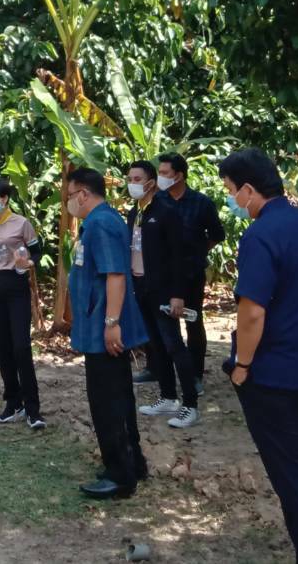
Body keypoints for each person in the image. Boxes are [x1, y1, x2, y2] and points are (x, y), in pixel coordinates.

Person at [220, 148, 298, 564]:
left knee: (295, 478)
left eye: (232, 191)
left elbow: (252, 311)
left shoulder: (261, 234)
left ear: (250, 190)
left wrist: (242, 366)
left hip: (275, 375)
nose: (233, 199)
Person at [66, 166, 150, 500]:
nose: (70, 202)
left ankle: (120, 475)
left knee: (107, 401)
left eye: (71, 196)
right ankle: (133, 463)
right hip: (99, 325)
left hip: (104, 329)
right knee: (120, 396)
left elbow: (115, 274)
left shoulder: (101, 224)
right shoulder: (104, 220)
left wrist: (111, 323)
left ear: (83, 194)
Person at [123, 160, 201, 428]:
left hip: (164, 290)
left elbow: (179, 256)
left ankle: (190, 403)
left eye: (136, 179)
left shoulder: (167, 211)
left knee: (174, 344)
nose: (131, 183)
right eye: (129, 178)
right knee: (155, 345)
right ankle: (168, 396)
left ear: (151, 183)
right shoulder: (136, 212)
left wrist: (177, 294)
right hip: (140, 285)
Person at [0, 177, 46, 429]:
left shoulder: (21, 223)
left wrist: (28, 263)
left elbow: (37, 250)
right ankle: (13, 401)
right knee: (2, 347)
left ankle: (33, 408)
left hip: (16, 286)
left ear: (4, 199)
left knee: (21, 347)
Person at [158, 151, 224, 389]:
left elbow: (217, 235)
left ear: (179, 176)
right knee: (163, 321)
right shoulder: (158, 201)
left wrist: (198, 251)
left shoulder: (201, 203)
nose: (160, 177)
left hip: (191, 273)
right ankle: (160, 370)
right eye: (159, 173)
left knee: (193, 321)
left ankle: (195, 375)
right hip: (163, 273)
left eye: (165, 173)